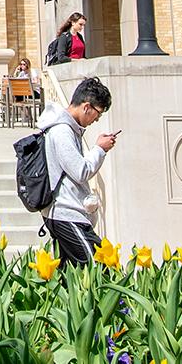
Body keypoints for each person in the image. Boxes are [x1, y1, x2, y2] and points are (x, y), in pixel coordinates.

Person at [35, 77, 118, 267]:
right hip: (66, 213)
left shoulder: (68, 129)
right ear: (87, 107)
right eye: (98, 113)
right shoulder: (61, 130)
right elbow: (80, 171)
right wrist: (99, 149)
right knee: (99, 267)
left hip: (65, 212)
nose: (97, 119)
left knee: (67, 276)